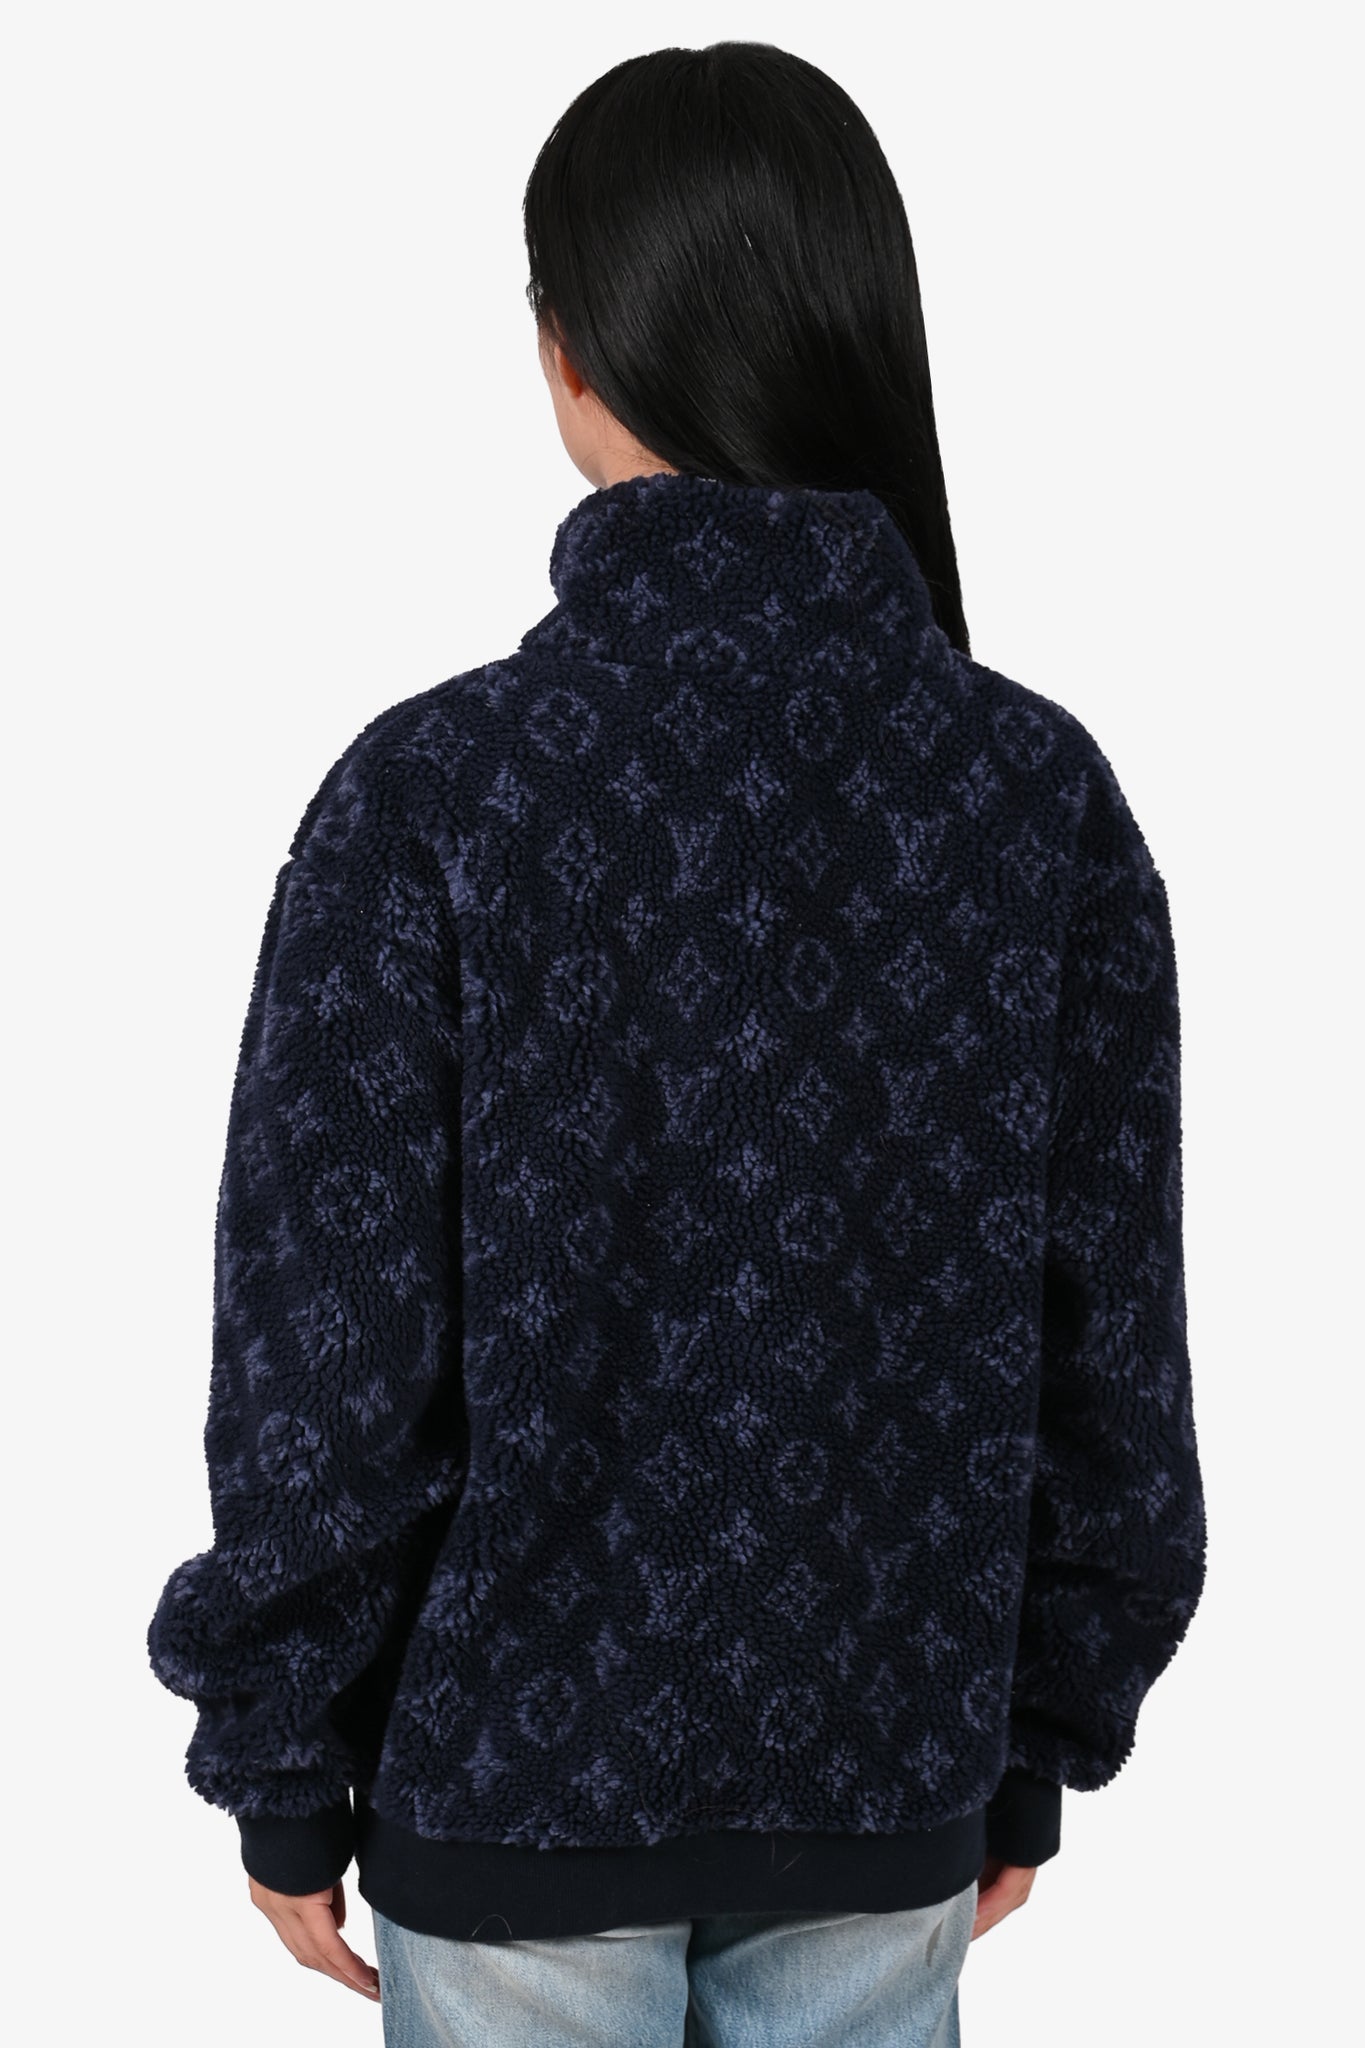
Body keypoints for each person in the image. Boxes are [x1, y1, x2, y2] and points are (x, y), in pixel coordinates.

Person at [146, 39, 1207, 2048]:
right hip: (883, 1779)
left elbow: (326, 1350)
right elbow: (1112, 1357)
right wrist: (1031, 1738)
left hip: (508, 1796)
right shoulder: (1031, 794)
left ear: (565, 348)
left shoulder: (432, 793)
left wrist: (280, 1754)